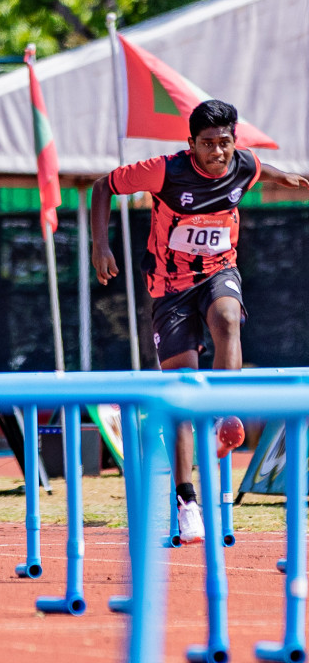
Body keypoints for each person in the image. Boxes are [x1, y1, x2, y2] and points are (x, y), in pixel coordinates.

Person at [93, 99, 308, 543]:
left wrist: (281, 176)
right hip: (169, 287)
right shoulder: (164, 170)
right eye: (208, 144)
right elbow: (102, 186)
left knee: (229, 317)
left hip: (218, 272)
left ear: (235, 142)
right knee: (182, 389)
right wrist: (100, 246)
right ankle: (187, 501)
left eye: (225, 143)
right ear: (190, 143)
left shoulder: (243, 163)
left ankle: (224, 413)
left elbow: (256, 167)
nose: (218, 153)